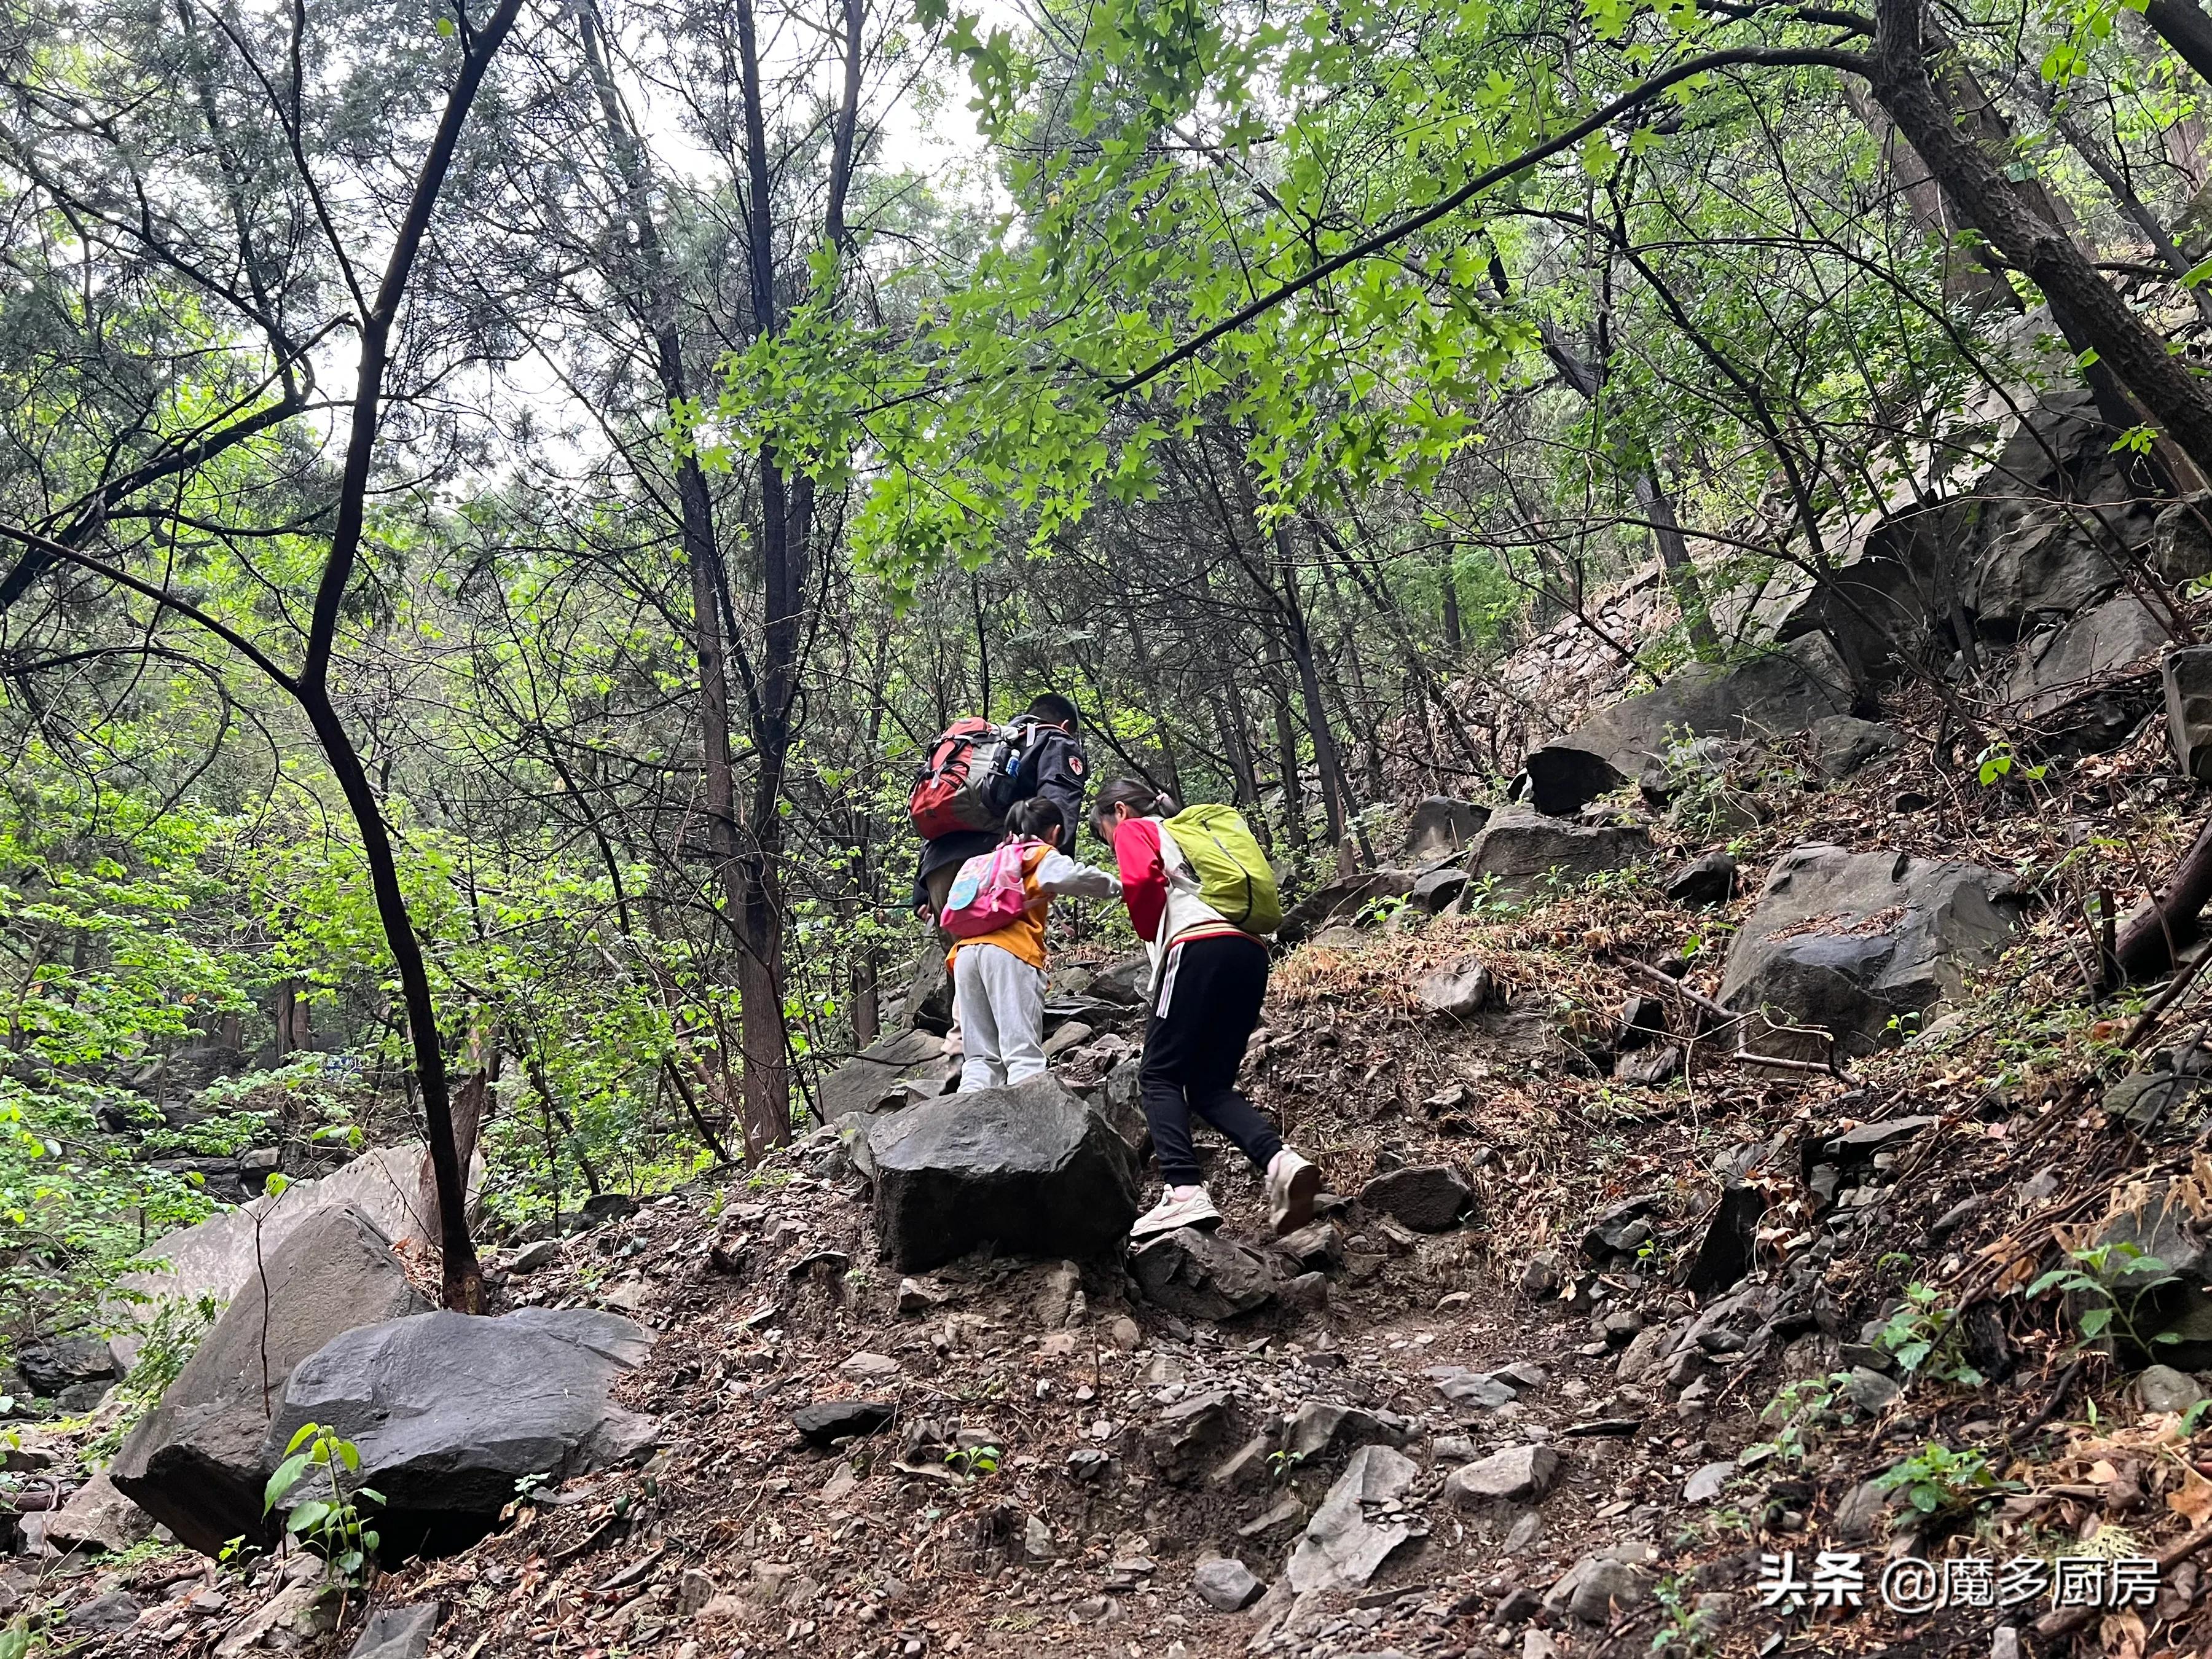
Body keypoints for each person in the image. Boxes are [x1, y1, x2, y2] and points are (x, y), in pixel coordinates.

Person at [1091, 778, 1320, 1238]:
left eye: (1104, 833)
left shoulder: (1140, 828)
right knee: (1209, 1086)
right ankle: (1280, 1161)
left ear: (1119, 811)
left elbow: (1139, 882)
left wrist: (1149, 925)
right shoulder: (1194, 835)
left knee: (1157, 1075)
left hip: (1196, 948)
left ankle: (1183, 1192)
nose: (1110, 841)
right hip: (1249, 953)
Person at [948, 797, 1120, 1091]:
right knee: (1022, 1054)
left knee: (979, 1058)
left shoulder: (987, 860)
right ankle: (1028, 1128)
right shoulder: (1039, 855)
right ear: (1054, 832)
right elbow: (1075, 877)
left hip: (966, 954)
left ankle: (967, 1119)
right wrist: (1119, 885)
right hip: (1009, 953)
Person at [911, 692, 1090, 936]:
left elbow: (940, 811)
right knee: (1008, 960)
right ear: (1066, 726)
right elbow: (1057, 803)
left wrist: (922, 891)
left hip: (939, 873)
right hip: (996, 871)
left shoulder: (983, 746)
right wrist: (1057, 866)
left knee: (963, 965)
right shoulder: (1055, 739)